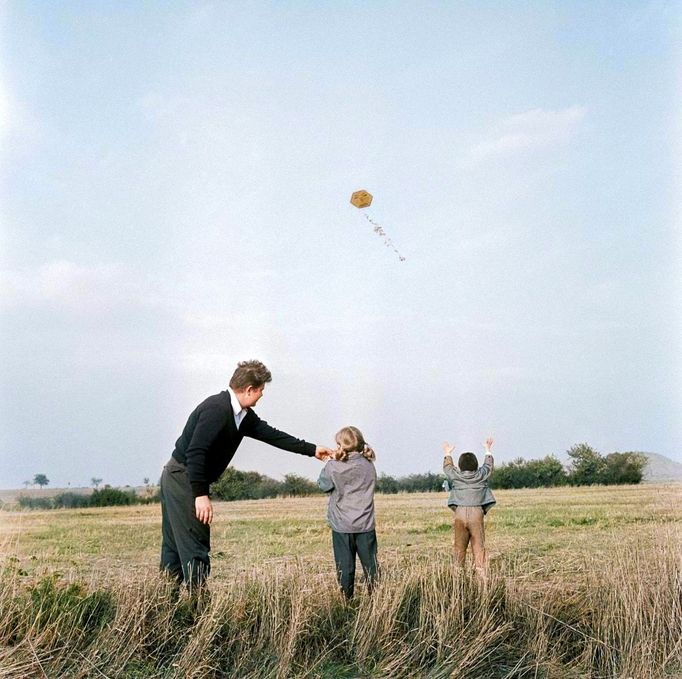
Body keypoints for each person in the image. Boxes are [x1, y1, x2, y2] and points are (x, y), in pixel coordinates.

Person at [160, 360, 334, 589]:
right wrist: (200, 494)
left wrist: (312, 450)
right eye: (261, 390)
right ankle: (197, 615)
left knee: (174, 548)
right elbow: (195, 451)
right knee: (194, 546)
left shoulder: (242, 416)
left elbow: (273, 435)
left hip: (179, 476)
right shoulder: (217, 409)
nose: (262, 395)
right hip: (183, 477)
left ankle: (167, 611)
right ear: (249, 389)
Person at [317, 426, 379, 599]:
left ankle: (346, 600)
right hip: (365, 524)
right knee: (371, 566)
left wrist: (328, 464)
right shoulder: (369, 465)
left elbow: (323, 485)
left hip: (342, 524)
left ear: (340, 445)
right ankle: (376, 599)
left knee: (345, 566)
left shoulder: (333, 466)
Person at [442, 437, 496, 574]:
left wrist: (448, 453)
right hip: (477, 513)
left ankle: (457, 577)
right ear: (476, 465)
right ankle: (481, 576)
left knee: (459, 548)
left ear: (460, 465)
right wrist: (487, 450)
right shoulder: (481, 475)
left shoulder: (456, 476)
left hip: (459, 512)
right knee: (479, 547)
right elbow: (488, 467)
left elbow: (447, 468)